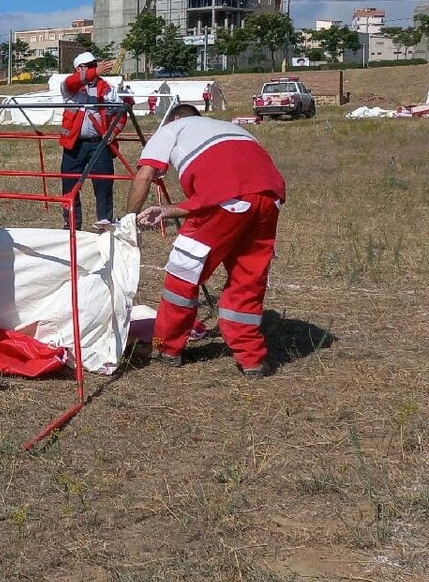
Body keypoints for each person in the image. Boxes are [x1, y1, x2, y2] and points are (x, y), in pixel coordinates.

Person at [126, 103, 286, 378]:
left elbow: (145, 174)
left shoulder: (172, 129)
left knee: (183, 275)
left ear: (175, 119)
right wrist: (167, 210)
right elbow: (231, 191)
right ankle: (252, 359)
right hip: (269, 198)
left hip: (227, 201)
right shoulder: (234, 130)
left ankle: (167, 347)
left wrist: (128, 219)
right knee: (247, 279)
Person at [58, 51, 131, 231]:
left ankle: (104, 225)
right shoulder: (70, 86)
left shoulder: (107, 88)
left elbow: (121, 113)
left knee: (104, 185)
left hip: (100, 145)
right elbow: (71, 82)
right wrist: (94, 71)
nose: (95, 69)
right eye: (90, 66)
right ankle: (72, 226)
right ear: (79, 69)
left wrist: (114, 130)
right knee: (69, 186)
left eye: (95, 66)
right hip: (74, 146)